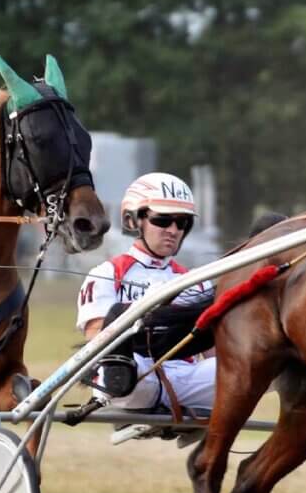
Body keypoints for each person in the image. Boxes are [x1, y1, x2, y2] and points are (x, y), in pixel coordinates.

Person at [76, 172, 215, 418]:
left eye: (181, 223)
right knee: (126, 365)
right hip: (131, 378)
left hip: (186, 381)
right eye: (162, 220)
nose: (173, 230)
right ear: (133, 221)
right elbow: (96, 341)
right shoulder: (107, 273)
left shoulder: (197, 282)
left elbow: (216, 354)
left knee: (256, 363)